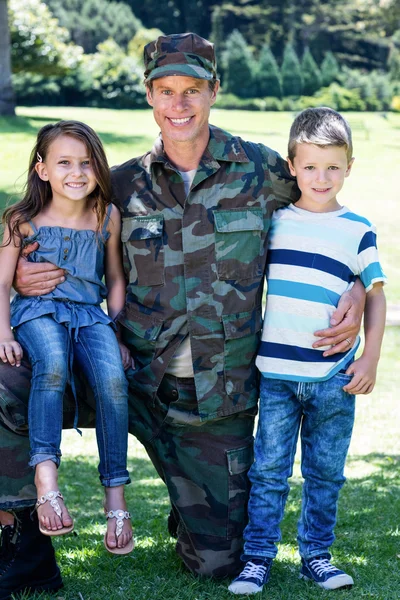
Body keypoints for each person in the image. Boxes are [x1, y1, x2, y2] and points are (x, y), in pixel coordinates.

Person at [0, 34, 364, 599]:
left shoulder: (263, 172)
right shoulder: (117, 185)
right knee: (7, 377)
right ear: (149, 95)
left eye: (192, 89)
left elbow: (329, 218)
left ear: (214, 90)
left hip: (216, 401)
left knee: (220, 563)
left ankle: (188, 505)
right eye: (166, 90)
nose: (179, 104)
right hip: (123, 377)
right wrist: (26, 275)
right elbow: (42, 227)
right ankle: (21, 541)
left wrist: (362, 292)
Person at [228, 107, 386, 595]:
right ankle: (257, 559)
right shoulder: (274, 223)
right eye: (311, 166)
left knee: (325, 474)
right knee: (269, 471)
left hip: (335, 377)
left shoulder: (357, 229)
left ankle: (316, 556)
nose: (322, 178)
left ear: (350, 167)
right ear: (292, 166)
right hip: (275, 375)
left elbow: (375, 295)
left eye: (333, 167)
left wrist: (370, 358)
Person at [0, 121, 133, 555]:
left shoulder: (106, 215)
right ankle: (46, 479)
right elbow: (3, 285)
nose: (77, 172)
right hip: (36, 312)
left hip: (89, 314)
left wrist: (116, 332)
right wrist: (3, 332)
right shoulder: (21, 222)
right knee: (52, 362)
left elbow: (114, 278)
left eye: (86, 162)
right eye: (64, 163)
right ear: (42, 170)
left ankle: (115, 495)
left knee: (113, 381)